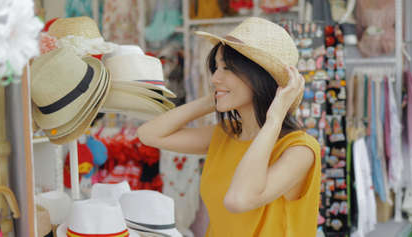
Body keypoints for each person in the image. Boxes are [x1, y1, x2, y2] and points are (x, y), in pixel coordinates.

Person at [137, 17, 321, 236]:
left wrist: (274, 118)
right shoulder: (227, 134)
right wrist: (212, 100)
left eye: (227, 68)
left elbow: (238, 200)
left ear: (260, 76)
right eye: (216, 68)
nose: (215, 77)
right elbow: (149, 134)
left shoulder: (299, 150)